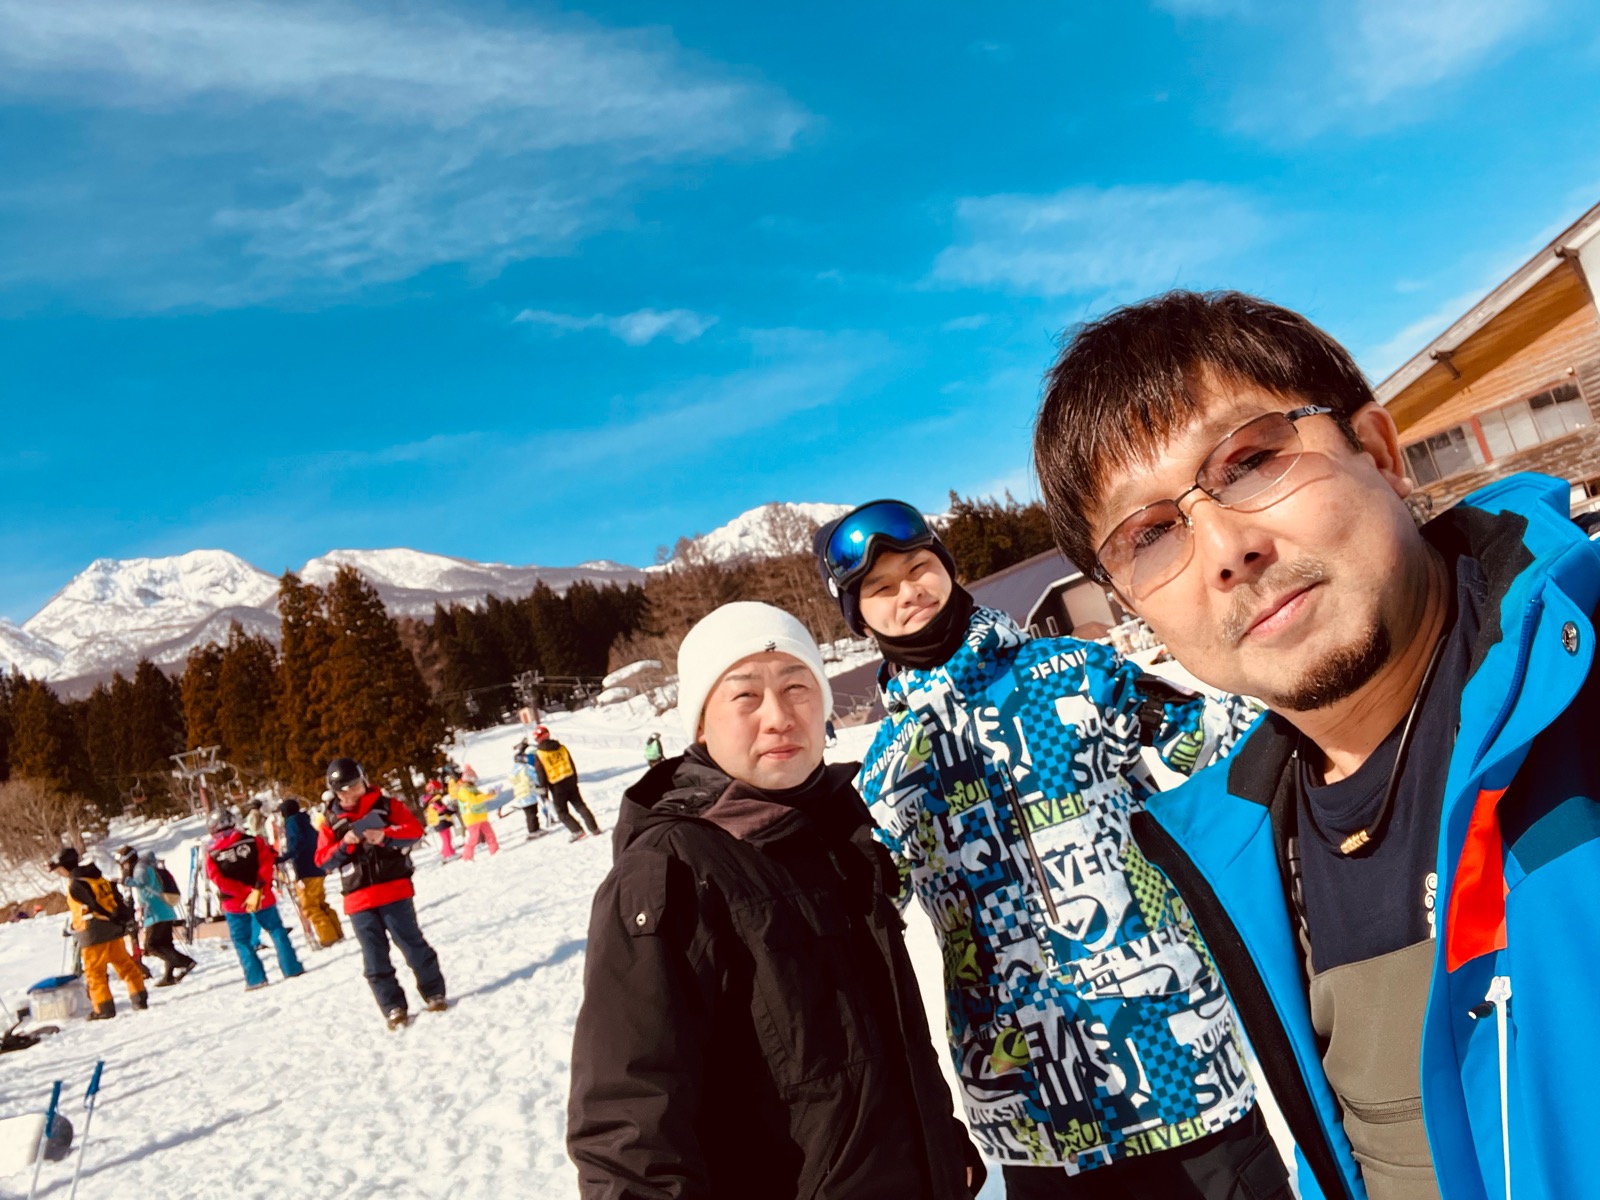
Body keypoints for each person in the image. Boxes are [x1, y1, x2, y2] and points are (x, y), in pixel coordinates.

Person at [1032, 289, 1600, 1200]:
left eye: (1251, 460)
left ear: (1379, 452)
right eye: (1152, 535)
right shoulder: (1250, 849)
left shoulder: (1580, 684)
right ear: (1135, 608)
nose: (1227, 549)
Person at [816, 501, 1283, 1200]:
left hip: (1175, 1060)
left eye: (917, 568)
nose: (908, 592)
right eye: (880, 589)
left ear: (947, 567)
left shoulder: (1077, 673)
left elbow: (1229, 743)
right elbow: (861, 916)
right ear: (859, 619)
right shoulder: (886, 771)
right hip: (1030, 1106)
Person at [568, 601, 984, 1200]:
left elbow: (881, 1041)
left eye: (797, 688)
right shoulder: (672, 871)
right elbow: (627, 1132)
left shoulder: (838, 836)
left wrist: (941, 1143)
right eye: (746, 696)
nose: (779, 717)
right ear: (701, 724)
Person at [315, 757, 447, 1028]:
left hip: (394, 890)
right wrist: (345, 845)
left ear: (364, 781)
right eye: (342, 791)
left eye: (354, 786)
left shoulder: (388, 806)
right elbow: (322, 861)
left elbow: (414, 831)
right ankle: (393, 1007)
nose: (350, 794)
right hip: (358, 899)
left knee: (413, 945)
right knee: (374, 958)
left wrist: (384, 835)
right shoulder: (330, 820)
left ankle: (434, 993)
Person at [205, 807, 304, 990]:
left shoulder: (211, 852)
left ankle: (255, 978)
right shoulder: (252, 840)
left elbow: (217, 879)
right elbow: (266, 863)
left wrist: (241, 892)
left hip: (234, 902)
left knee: (242, 940)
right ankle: (291, 968)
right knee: (276, 930)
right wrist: (256, 889)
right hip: (261, 895)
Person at [47, 847, 147, 1020]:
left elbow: (93, 906)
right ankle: (139, 998)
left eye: (59, 869)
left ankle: (103, 1008)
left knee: (95, 973)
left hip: (92, 933)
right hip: (113, 930)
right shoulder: (97, 877)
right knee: (125, 965)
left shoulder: (76, 883)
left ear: (65, 866)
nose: (59, 873)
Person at [280, 798, 344, 947]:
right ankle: (336, 931)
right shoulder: (305, 821)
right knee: (320, 902)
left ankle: (328, 937)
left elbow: (296, 843)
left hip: (305, 869)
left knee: (310, 906)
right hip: (317, 867)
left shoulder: (292, 823)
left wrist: (284, 857)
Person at [127, 850, 196, 987]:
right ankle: (168, 977)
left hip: (155, 913)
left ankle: (186, 962)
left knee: (152, 946)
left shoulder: (141, 869)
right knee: (166, 945)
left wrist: (125, 880)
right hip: (166, 911)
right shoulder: (153, 869)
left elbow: (140, 883)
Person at [531, 724, 601, 841]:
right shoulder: (562, 747)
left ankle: (577, 831)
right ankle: (594, 828)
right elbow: (571, 764)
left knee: (561, 812)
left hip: (556, 786)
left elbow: (541, 775)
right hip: (570, 780)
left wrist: (543, 793)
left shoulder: (540, 754)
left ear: (538, 739)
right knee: (580, 805)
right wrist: (574, 779)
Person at [452, 771, 501, 860]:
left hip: (481, 816)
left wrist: (491, 794)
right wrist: (486, 796)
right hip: (471, 817)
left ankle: (495, 851)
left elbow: (482, 796)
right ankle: (467, 856)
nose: (475, 780)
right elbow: (473, 799)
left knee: (490, 834)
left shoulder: (473, 788)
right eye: (473, 778)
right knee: (473, 838)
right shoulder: (463, 790)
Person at [509, 751, 547, 840]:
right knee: (532, 813)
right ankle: (533, 831)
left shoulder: (513, 771)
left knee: (529, 813)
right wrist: (541, 784)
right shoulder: (526, 768)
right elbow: (534, 776)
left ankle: (536, 829)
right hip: (528, 793)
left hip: (520, 795)